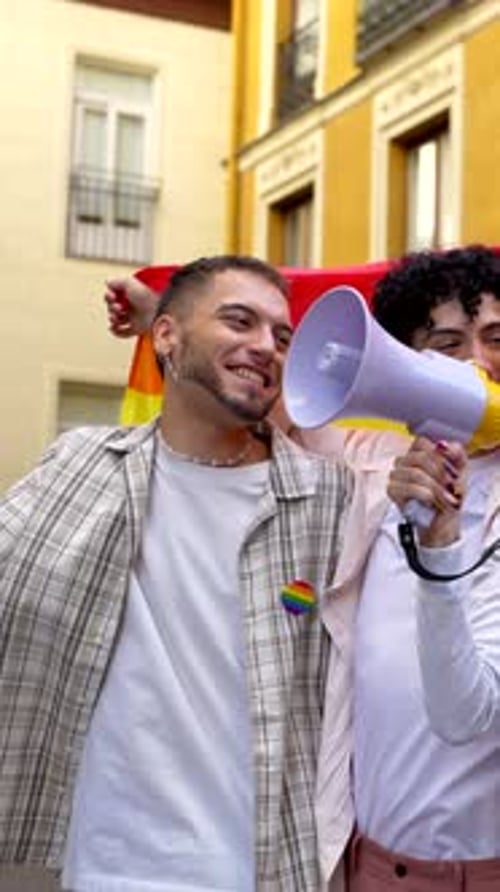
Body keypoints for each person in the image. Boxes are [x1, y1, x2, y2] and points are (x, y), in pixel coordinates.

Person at [105, 245, 500, 891]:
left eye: (497, 338)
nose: (477, 364)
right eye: (448, 343)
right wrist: (163, 318)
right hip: (360, 861)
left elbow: (466, 714)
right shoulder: (370, 464)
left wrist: (441, 550)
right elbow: (271, 398)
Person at [0, 254, 356, 892]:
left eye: (282, 336)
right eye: (239, 321)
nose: (265, 347)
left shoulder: (332, 499)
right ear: (164, 335)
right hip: (103, 867)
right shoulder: (81, 467)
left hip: (263, 870)